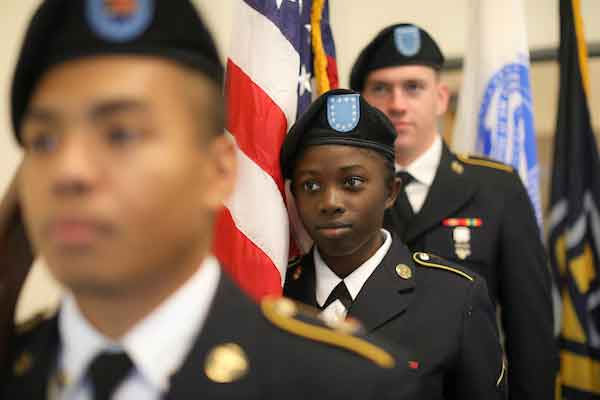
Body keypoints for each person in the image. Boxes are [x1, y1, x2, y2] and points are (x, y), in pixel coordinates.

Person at [1, 2, 420, 399]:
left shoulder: (344, 384)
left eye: (121, 134)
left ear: (219, 170)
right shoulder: (15, 373)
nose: (70, 171)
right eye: (45, 140)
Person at [349, 23, 558, 399]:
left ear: (441, 97)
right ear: (362, 101)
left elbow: (530, 331)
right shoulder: (344, 194)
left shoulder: (497, 188)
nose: (397, 103)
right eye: (381, 88)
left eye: (414, 87)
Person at [282, 88, 507, 400]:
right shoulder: (275, 291)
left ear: (391, 192)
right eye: (311, 185)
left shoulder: (454, 299)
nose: (330, 202)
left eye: (352, 183)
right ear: (294, 196)